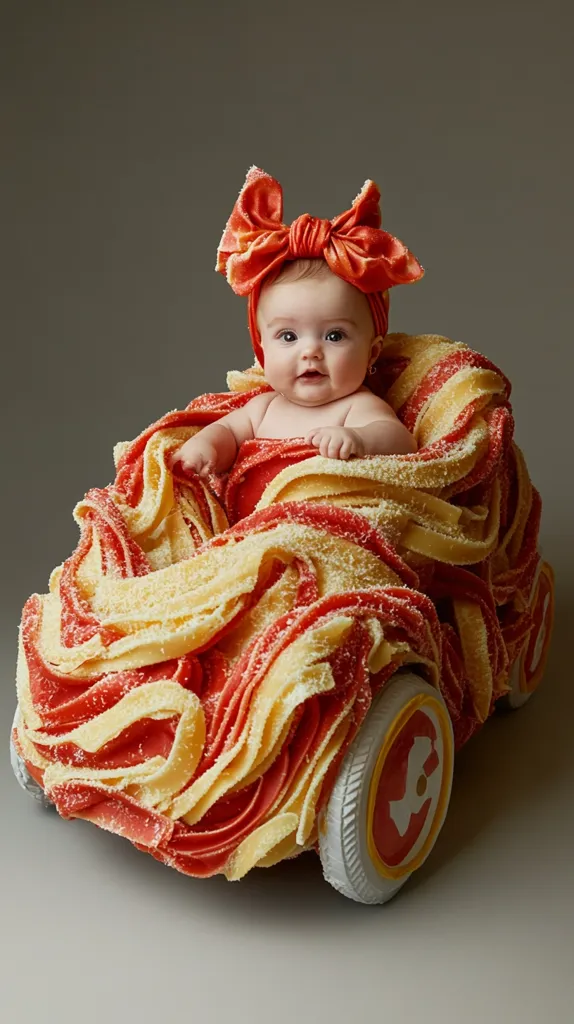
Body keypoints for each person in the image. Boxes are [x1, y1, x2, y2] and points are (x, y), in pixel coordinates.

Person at [171, 167, 423, 479]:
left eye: (334, 335)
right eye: (288, 336)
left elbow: (402, 441)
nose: (311, 351)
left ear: (372, 353)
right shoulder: (261, 410)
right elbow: (225, 432)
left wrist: (358, 439)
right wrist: (204, 448)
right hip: (258, 526)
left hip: (326, 521)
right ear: (262, 347)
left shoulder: (357, 409)